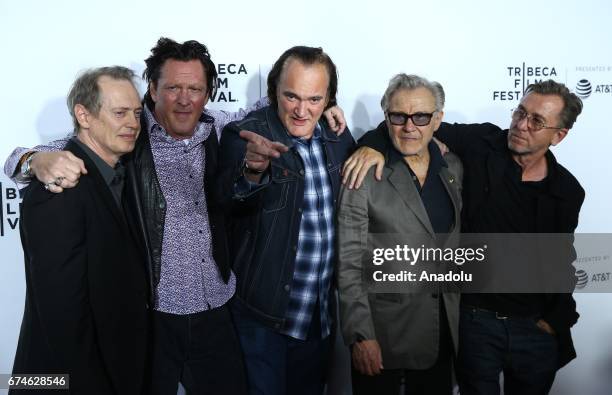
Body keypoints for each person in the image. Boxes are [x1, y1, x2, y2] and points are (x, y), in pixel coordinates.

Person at [4, 37, 346, 395]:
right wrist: (33, 160)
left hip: (216, 308)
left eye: (195, 89)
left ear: (208, 94)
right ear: (152, 89)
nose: (185, 99)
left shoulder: (219, 127)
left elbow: (288, 99)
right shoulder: (127, 134)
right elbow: (53, 152)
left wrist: (329, 106)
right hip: (153, 316)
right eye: (173, 88)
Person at [342, 79, 584, 395]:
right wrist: (371, 144)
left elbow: (562, 259)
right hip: (475, 323)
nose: (521, 125)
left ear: (559, 135)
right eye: (519, 113)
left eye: (537, 121)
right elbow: (411, 122)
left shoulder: (567, 191)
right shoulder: (481, 143)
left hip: (535, 329)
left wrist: (554, 321)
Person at [216, 46, 355, 395]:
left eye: (314, 99)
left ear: (328, 100)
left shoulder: (338, 137)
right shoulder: (245, 135)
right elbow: (226, 201)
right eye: (291, 95)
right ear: (274, 90)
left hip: (318, 318)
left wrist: (375, 145)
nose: (301, 109)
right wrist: (251, 171)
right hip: (262, 320)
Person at [11, 66, 148, 394]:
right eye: (119, 113)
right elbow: (62, 312)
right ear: (84, 116)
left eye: (137, 113)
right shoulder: (59, 187)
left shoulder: (116, 173)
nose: (132, 123)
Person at [337, 74, 462, 395]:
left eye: (420, 116)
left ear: (438, 120)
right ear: (386, 119)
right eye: (398, 116)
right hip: (384, 335)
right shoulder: (363, 171)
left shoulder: (453, 168)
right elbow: (349, 264)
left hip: (443, 332)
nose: (409, 127)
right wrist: (361, 336)